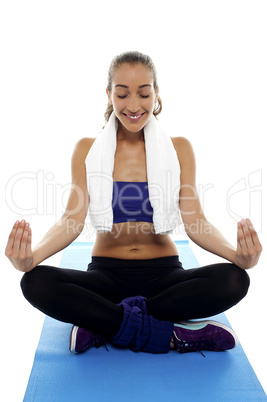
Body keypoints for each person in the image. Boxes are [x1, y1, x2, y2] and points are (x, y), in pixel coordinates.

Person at [5, 51, 262, 355]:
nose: (134, 105)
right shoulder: (87, 149)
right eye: (122, 94)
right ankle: (169, 334)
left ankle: (104, 321)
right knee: (35, 283)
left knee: (234, 280)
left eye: (144, 93)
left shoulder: (179, 148)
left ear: (156, 94)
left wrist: (239, 256)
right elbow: (71, 220)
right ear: (109, 95)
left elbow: (196, 221)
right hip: (106, 276)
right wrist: (30, 259)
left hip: (165, 277)